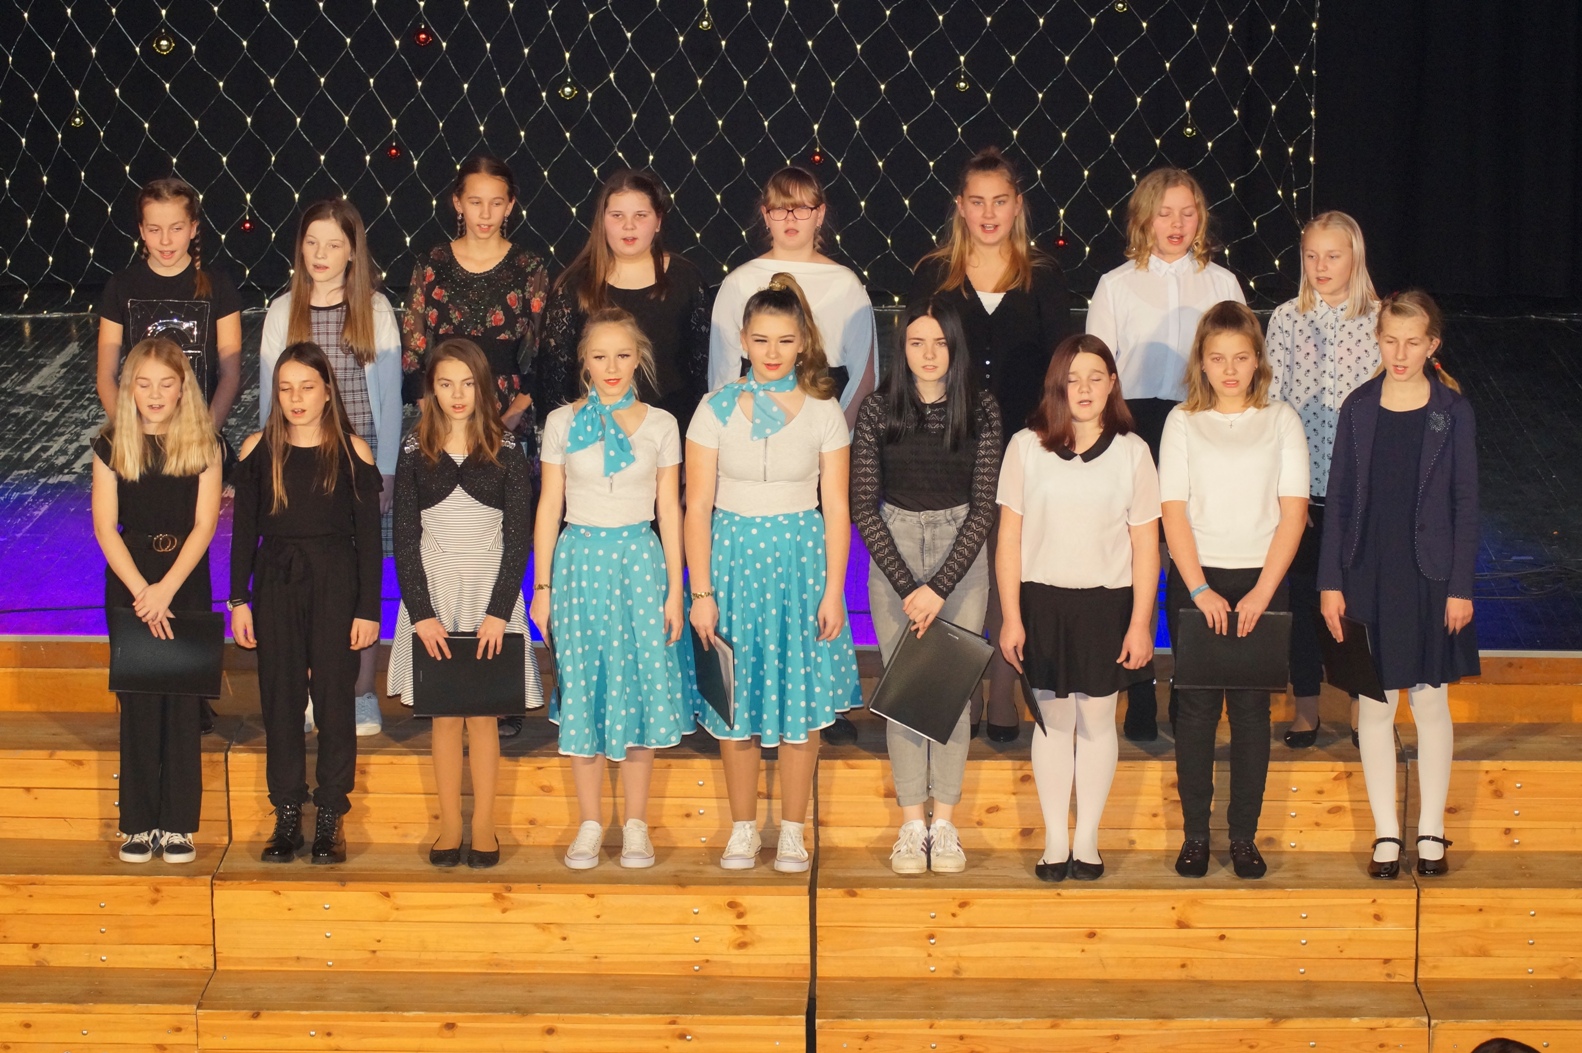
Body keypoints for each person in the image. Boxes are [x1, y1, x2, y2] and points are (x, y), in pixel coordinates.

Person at [687, 273, 861, 873]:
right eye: (760, 340)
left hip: (800, 567)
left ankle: (791, 831)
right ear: (743, 339)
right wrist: (701, 591)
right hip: (731, 565)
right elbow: (696, 506)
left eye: (785, 340)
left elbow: (836, 507)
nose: (772, 352)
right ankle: (742, 829)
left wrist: (834, 590)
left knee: (799, 704)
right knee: (734, 702)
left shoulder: (823, 411)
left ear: (803, 342)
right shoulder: (713, 409)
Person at [907, 147, 1076, 743]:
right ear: (960, 206)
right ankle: (957, 695)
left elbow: (1063, 367)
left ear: (1017, 205)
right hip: (948, 448)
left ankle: (1002, 695)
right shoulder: (934, 274)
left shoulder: (1044, 278)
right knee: (957, 573)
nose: (987, 213)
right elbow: (915, 358)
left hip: (1026, 449)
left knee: (1009, 574)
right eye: (976, 201)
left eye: (999, 201)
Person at [1319, 291, 1478, 879]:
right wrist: (1330, 581)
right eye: (1390, 341)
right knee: (1375, 703)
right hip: (1367, 572)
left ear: (1432, 344)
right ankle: (1387, 831)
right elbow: (1337, 499)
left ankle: (1431, 829)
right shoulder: (1358, 407)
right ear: (1378, 340)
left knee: (1431, 701)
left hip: (1429, 576)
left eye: (1413, 342)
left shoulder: (1452, 410)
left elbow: (1466, 501)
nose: (1401, 353)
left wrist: (1461, 586)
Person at [1087, 167, 1247, 741]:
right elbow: (1097, 370)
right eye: (1164, 213)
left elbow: (1244, 363)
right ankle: (1136, 688)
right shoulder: (1116, 285)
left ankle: (1187, 687)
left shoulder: (1223, 283)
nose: (1177, 224)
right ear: (1144, 219)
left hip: (1202, 427)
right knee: (1135, 561)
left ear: (1201, 218)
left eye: (1188, 212)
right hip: (1133, 427)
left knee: (1188, 561)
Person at [997, 335, 1159, 882]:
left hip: (1106, 606)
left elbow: (1145, 546)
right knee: (1051, 722)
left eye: (1096, 377)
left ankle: (1087, 839)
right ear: (1057, 386)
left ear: (1113, 383)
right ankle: (1055, 840)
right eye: (1073, 378)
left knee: (1096, 721)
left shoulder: (1133, 452)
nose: (1084, 388)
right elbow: (1009, 539)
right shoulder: (1026, 446)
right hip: (1042, 602)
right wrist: (1011, 616)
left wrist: (1141, 624)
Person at [532, 309, 688, 870]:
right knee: (584, 688)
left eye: (622, 355)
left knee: (640, 686)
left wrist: (677, 590)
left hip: (640, 563)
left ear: (639, 357)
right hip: (579, 564)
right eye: (600, 356)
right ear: (584, 362)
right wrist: (542, 587)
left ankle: (637, 825)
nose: (612, 366)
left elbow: (670, 511)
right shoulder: (560, 421)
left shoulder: (662, 424)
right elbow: (549, 506)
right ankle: (591, 823)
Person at [851, 295, 1002, 875]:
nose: (929, 353)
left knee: (951, 693)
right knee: (905, 693)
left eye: (940, 343)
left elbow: (984, 508)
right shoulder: (878, 409)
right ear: (903, 348)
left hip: (960, 553)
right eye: (917, 342)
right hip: (895, 548)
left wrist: (937, 587)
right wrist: (908, 585)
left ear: (955, 348)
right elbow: (864, 506)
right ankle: (912, 824)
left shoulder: (981, 408)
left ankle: (946, 825)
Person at [401, 154, 549, 738]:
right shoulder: (432, 264)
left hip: (506, 421)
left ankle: (500, 685)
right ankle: (442, 678)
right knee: (443, 544)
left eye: (496, 202)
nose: (485, 213)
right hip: (444, 420)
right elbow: (417, 353)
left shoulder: (530, 266)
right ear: (457, 204)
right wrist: (441, 421)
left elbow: (539, 356)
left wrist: (501, 423)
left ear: (510, 206)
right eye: (474, 201)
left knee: (503, 541)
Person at [1159, 302, 1308, 880]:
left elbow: (1293, 513)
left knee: (1250, 713)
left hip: (1261, 583)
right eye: (1217, 358)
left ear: (1257, 361)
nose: (1229, 370)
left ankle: (1243, 837)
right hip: (1198, 582)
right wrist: (1198, 588)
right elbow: (1173, 511)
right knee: (1195, 712)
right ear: (1201, 361)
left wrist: (1263, 592)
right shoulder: (1181, 422)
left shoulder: (1281, 420)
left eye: (1240, 358)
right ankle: (1196, 836)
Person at [388, 339, 540, 870]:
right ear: (431, 389)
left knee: (483, 717)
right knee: (445, 718)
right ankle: (450, 825)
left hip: (489, 595)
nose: (457, 394)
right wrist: (422, 613)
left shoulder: (507, 449)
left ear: (484, 387)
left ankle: (485, 826)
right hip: (434, 594)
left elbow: (517, 539)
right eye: (445, 383)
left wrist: (499, 611)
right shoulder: (414, 448)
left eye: (467, 384)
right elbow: (404, 538)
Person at [229, 342, 383, 865]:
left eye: (307, 387)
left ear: (327, 392)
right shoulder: (258, 450)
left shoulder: (353, 452)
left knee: (335, 701)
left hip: (336, 581)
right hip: (276, 581)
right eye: (286, 389)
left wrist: (368, 609)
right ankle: (288, 812)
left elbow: (369, 541)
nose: (296, 399)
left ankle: (331, 814)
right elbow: (242, 535)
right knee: (281, 699)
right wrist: (238, 600)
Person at [261, 198, 403, 738]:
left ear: (352, 252)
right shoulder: (282, 311)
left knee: (360, 577)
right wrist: (270, 467)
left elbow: (389, 399)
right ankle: (310, 691)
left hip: (358, 464)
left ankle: (361, 692)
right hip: (300, 466)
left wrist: (384, 469)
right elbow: (270, 401)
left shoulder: (375, 309)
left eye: (334, 244)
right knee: (306, 579)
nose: (321, 254)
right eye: (312, 242)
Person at [91, 337, 221, 864]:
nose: (155, 394)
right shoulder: (110, 444)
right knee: (139, 705)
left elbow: (205, 524)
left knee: (183, 706)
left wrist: (166, 588)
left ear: (183, 387)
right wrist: (142, 591)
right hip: (130, 583)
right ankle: (138, 823)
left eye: (166, 384)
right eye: (143, 384)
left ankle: (178, 825)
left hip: (184, 581)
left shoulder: (206, 445)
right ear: (129, 389)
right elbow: (105, 527)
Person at [1267, 211, 1380, 749]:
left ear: (1354, 257)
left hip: (1361, 492)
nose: (1321, 266)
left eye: (1333, 256)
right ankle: (1306, 707)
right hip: (1303, 491)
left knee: (1359, 601)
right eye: (1311, 256)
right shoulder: (1287, 319)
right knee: (1304, 601)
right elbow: (1272, 403)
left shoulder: (1379, 321)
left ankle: (1363, 707)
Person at [536, 170, 712, 435]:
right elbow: (554, 379)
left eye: (640, 216)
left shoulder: (686, 280)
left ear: (658, 221)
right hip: (591, 437)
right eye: (617, 216)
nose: (629, 226)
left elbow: (702, 373)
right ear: (602, 221)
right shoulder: (574, 285)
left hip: (671, 436)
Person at [707, 165, 876, 428]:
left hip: (825, 423)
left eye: (801, 209)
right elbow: (722, 375)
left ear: (820, 214)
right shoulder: (739, 282)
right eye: (780, 209)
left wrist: (837, 435)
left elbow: (864, 379)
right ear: (766, 215)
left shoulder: (846, 285)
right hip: (752, 423)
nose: (790, 219)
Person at [96, 177, 243, 431]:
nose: (165, 241)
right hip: (139, 432)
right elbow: (106, 375)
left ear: (193, 228)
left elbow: (230, 374)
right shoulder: (121, 286)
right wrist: (130, 434)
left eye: (176, 228)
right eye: (155, 230)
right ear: (142, 231)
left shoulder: (219, 285)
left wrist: (207, 433)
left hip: (199, 430)